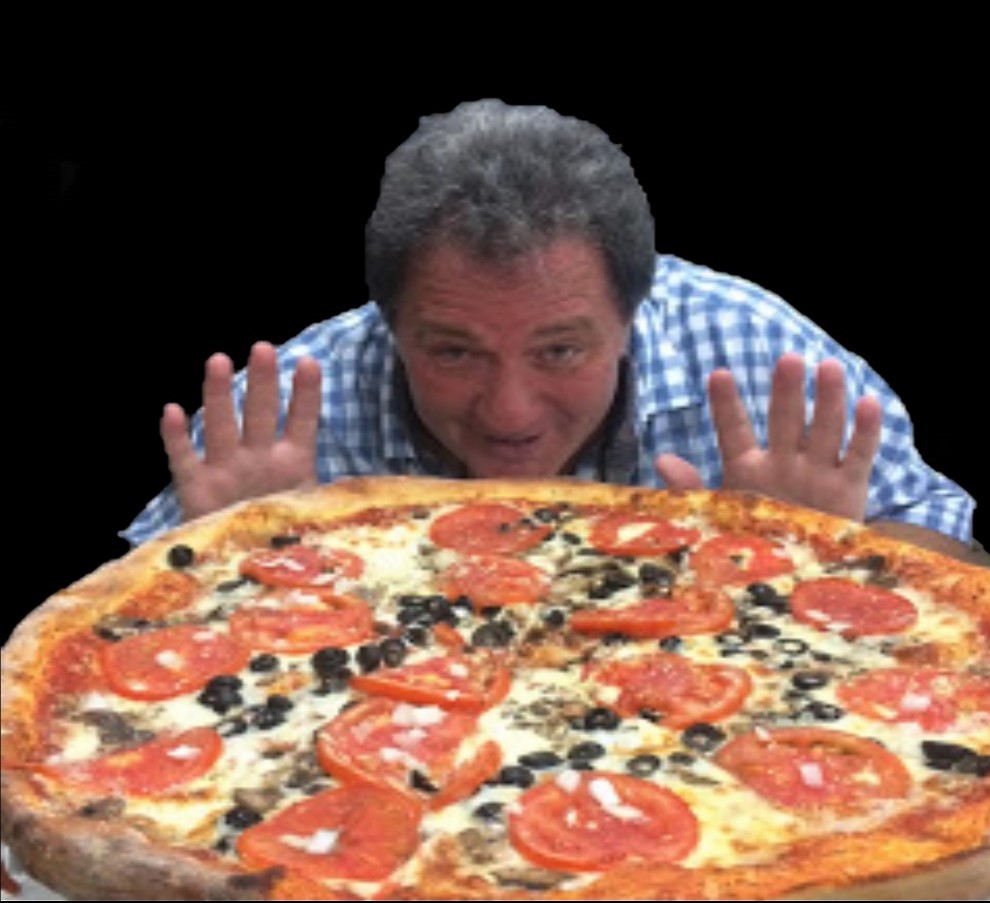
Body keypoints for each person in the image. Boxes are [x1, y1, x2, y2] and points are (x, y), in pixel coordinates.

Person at [123, 99, 977, 561]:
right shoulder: (285, 408)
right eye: (454, 350)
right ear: (385, 321)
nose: (510, 410)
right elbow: (122, 645)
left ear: (636, 312)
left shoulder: (757, 353)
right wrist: (218, 565)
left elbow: (962, 573)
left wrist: (832, 552)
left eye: (560, 350)